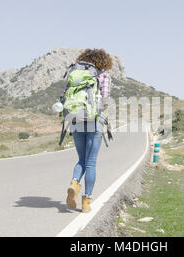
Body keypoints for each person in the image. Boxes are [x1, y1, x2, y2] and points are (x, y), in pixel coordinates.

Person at [64, 49, 113, 213]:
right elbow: (105, 101)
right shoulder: (103, 76)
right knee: (91, 162)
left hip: (75, 119)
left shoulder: (75, 72)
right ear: (104, 62)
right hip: (94, 121)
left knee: (81, 159)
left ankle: (74, 182)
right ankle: (86, 202)